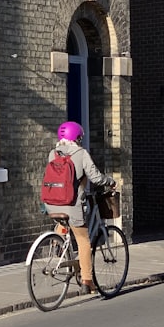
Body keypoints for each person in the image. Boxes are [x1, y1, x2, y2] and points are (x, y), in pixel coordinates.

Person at [44, 121, 115, 294]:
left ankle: (58, 242)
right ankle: (87, 280)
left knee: (64, 221)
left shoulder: (53, 153)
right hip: (71, 203)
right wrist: (110, 182)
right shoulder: (81, 153)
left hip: (51, 203)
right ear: (76, 138)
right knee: (84, 240)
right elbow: (96, 177)